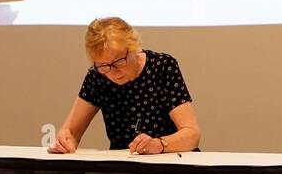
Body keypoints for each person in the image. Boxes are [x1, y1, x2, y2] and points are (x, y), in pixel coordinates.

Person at [49, 17, 202, 154]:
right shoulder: (97, 76)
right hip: (125, 169)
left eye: (119, 62)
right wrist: (65, 140)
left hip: (171, 163)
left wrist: (159, 144)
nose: (113, 72)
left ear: (134, 48)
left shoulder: (162, 66)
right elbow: (71, 132)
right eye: (103, 65)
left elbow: (192, 134)